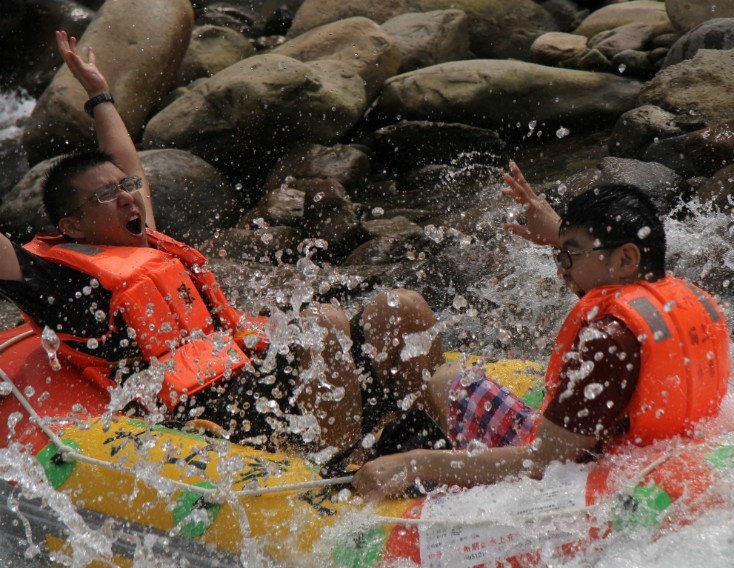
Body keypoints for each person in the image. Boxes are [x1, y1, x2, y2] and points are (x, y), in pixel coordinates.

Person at [0, 32, 445, 465]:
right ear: (72, 225)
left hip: (257, 376)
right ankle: (336, 471)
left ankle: (420, 435)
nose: (128, 197)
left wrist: (99, 95)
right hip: (210, 412)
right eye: (106, 196)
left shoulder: (144, 239)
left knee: (400, 307)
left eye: (127, 189)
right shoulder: (60, 282)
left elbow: (128, 163)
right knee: (323, 321)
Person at [352, 163, 731, 497]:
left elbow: (541, 463)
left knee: (447, 380)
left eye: (569, 256)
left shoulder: (606, 341)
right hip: (643, 457)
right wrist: (561, 235)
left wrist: (415, 463)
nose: (560, 270)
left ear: (626, 258)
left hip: (579, 480)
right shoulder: (685, 301)